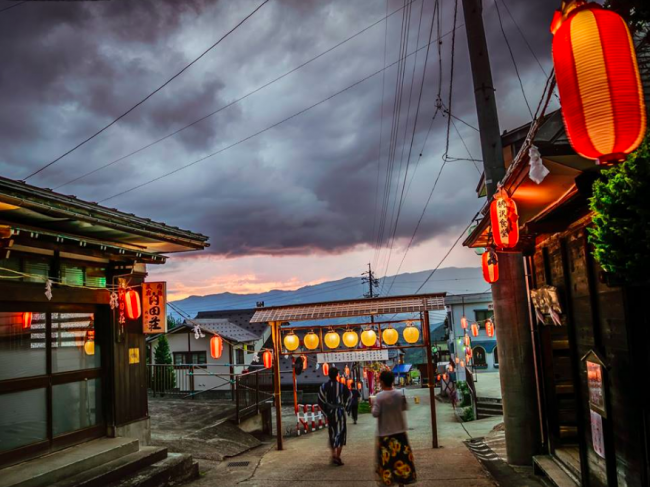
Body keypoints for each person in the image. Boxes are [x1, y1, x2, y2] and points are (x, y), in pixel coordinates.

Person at [372, 370, 417, 486]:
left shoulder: (379, 397)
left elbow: (375, 413)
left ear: (382, 381)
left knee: (387, 462)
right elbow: (404, 407)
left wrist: (372, 405)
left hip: (385, 435)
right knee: (401, 460)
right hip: (400, 433)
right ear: (392, 381)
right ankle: (401, 483)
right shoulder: (399, 395)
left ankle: (388, 482)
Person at [318, 366, 351, 466]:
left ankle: (333, 454)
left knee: (332, 434)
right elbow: (349, 397)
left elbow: (320, 400)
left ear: (328, 374)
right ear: (337, 375)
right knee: (340, 434)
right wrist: (346, 408)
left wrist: (325, 413)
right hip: (340, 412)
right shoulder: (342, 386)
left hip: (330, 413)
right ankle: (337, 456)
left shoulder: (323, 387)